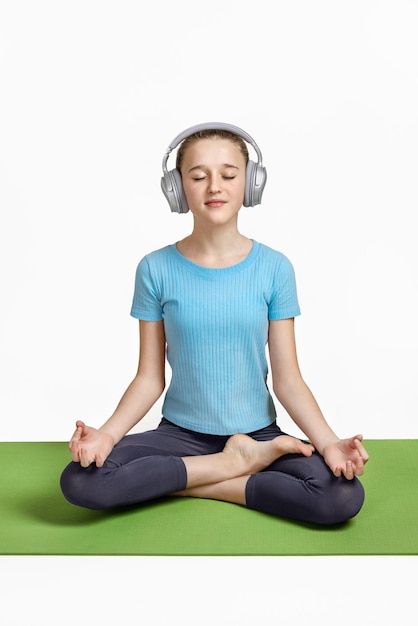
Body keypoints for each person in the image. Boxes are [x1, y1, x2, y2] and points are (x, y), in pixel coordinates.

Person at [60, 122, 369, 525]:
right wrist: (107, 434)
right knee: (81, 482)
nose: (214, 187)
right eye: (198, 176)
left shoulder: (275, 268)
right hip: (179, 436)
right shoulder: (155, 269)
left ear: (251, 183)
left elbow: (288, 380)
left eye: (228, 174)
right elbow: (149, 378)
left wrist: (329, 443)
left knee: (340, 496)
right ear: (177, 188)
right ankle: (231, 466)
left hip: (260, 437)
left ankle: (191, 477)